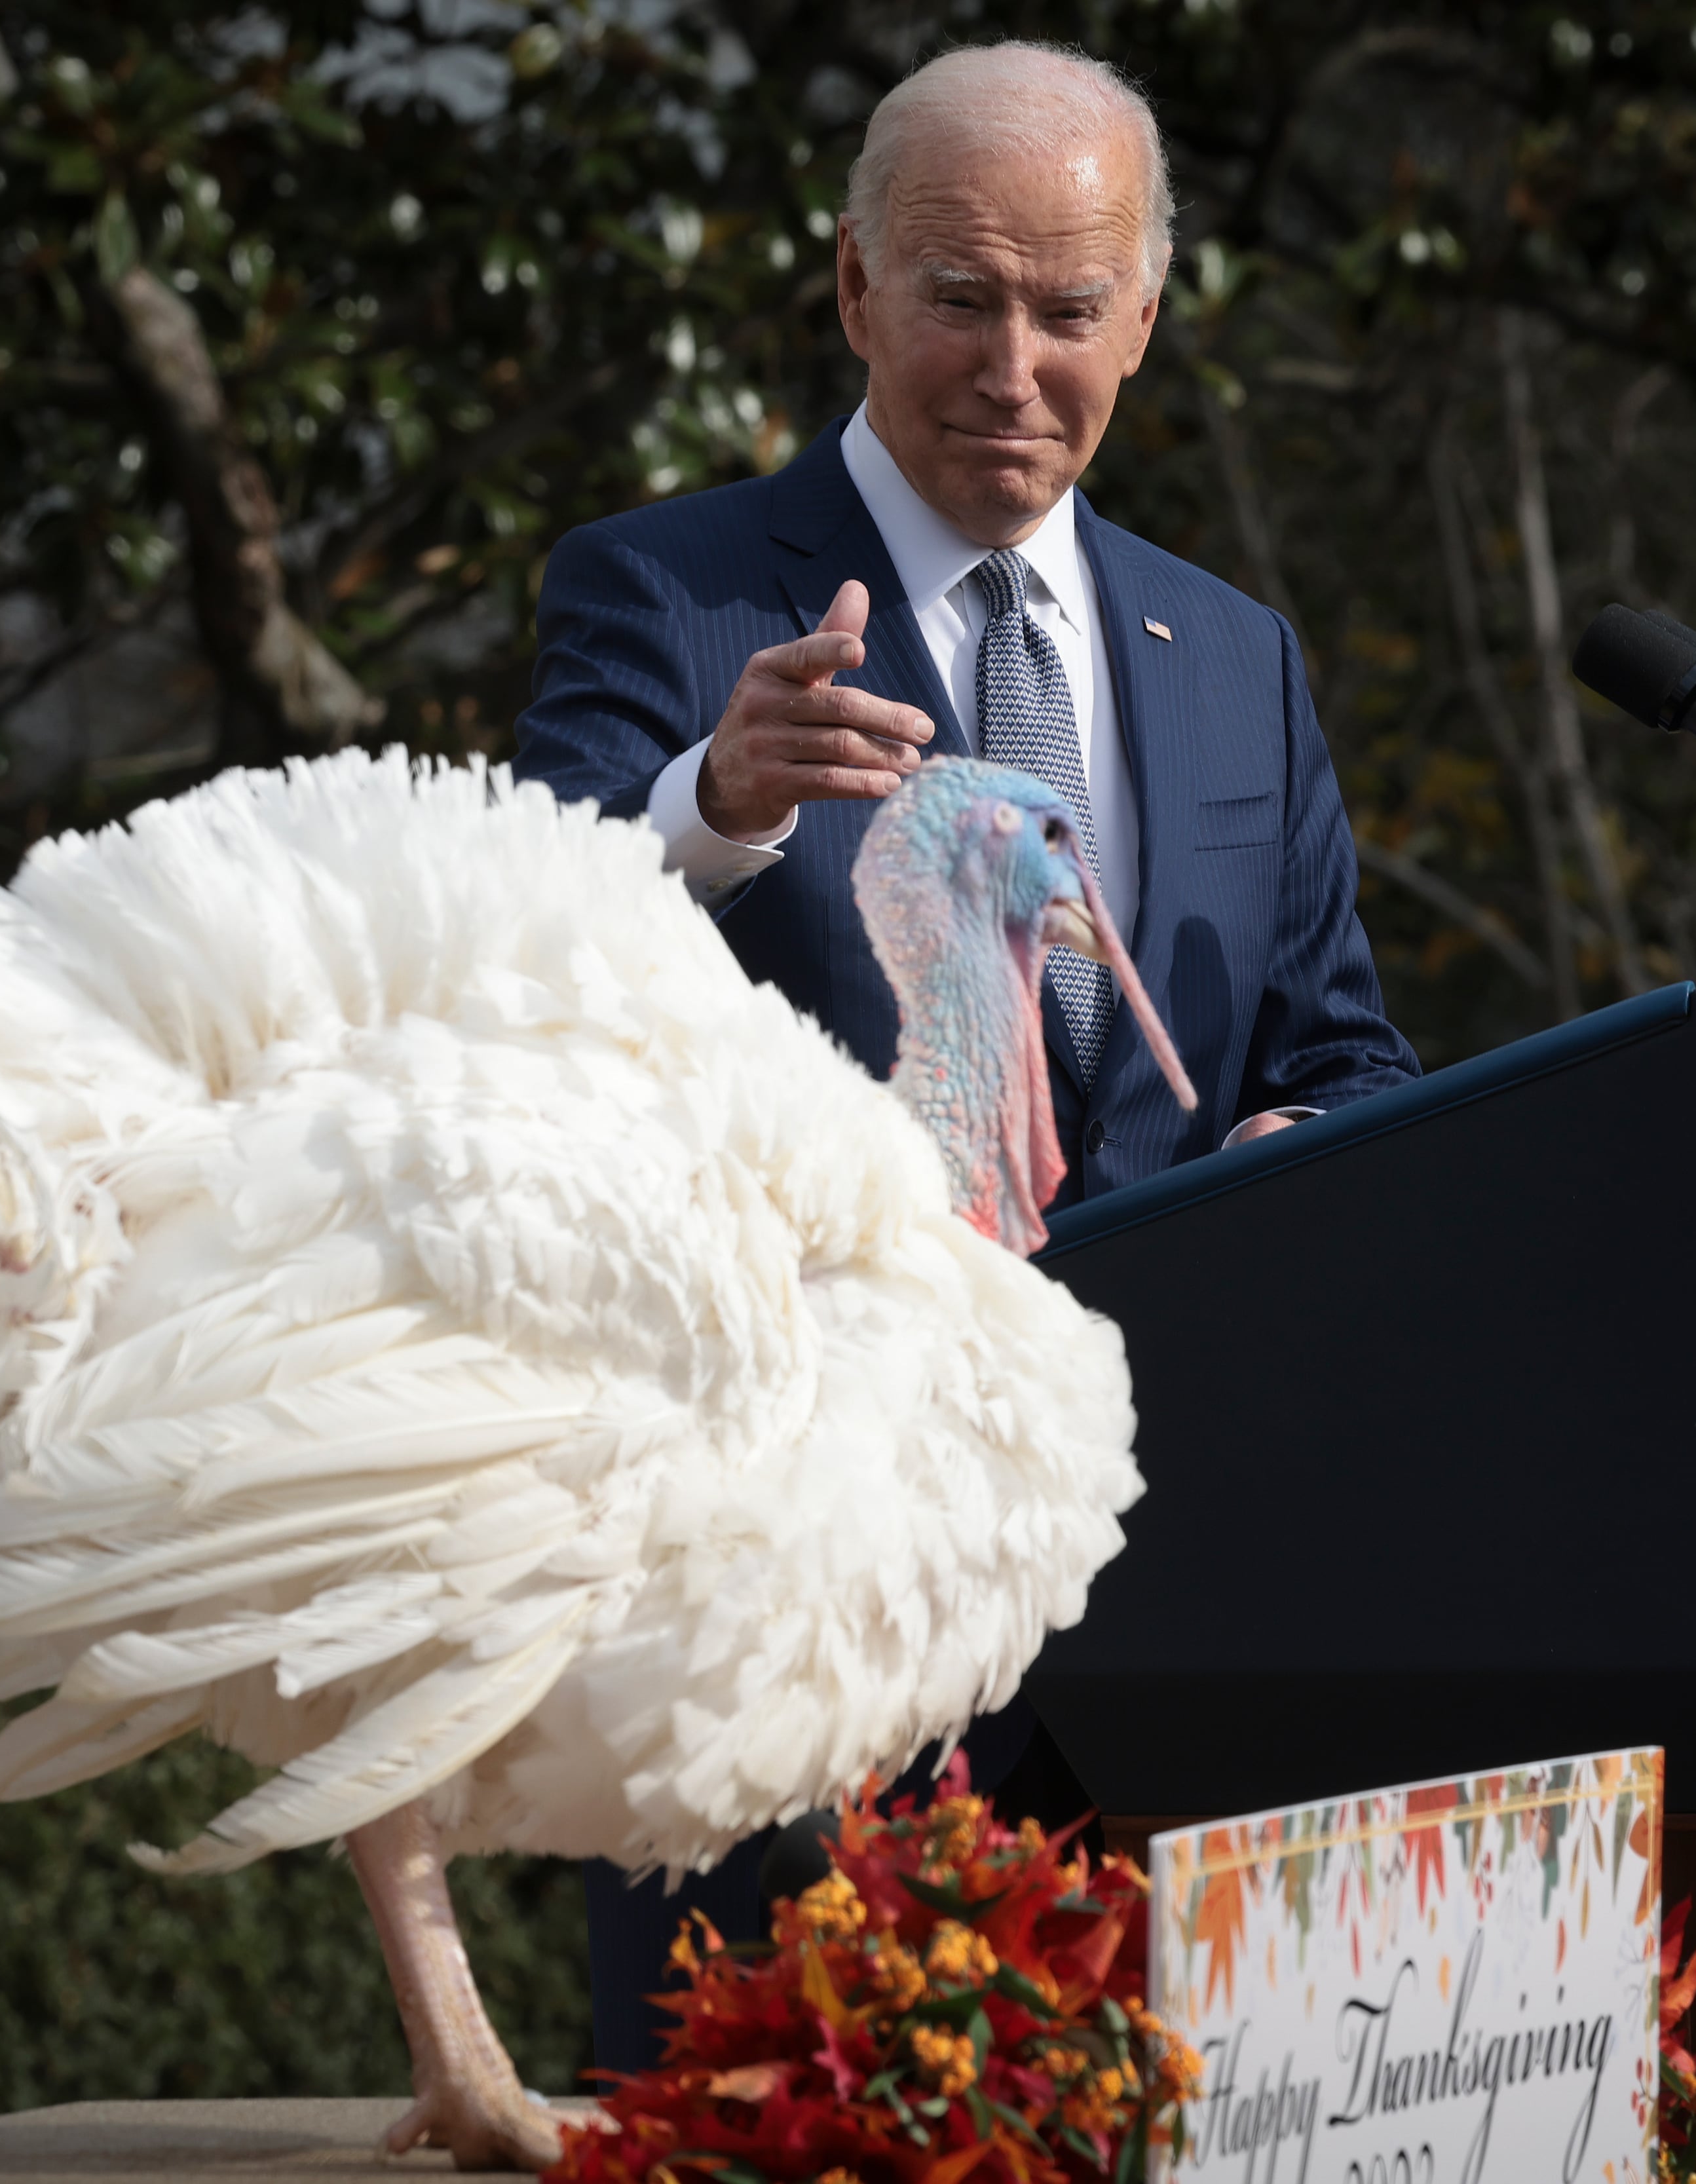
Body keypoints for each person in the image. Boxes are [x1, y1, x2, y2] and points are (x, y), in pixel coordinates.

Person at [510, 39, 1420, 2078]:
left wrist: (1300, 1141)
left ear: (1147, 318)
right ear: (853, 291)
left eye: (1069, 307)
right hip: (796, 1627)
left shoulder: (1236, 660)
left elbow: (1347, 1051)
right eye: (959, 295)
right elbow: (509, 971)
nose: (1015, 361)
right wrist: (714, 803)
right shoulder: (665, 596)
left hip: (1179, 1623)